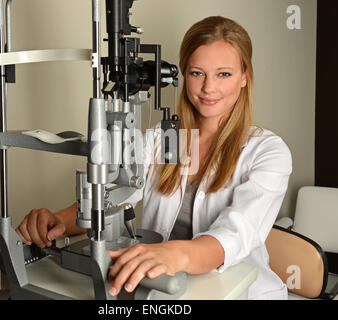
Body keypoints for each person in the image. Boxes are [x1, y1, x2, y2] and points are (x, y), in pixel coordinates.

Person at [16, 16, 292, 300]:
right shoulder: (162, 139)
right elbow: (115, 196)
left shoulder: (268, 152)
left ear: (245, 76)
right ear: (184, 74)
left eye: (224, 74)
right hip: (164, 289)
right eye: (198, 73)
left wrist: (174, 254)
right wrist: (56, 221)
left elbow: (237, 233)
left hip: (238, 292)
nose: (209, 87)